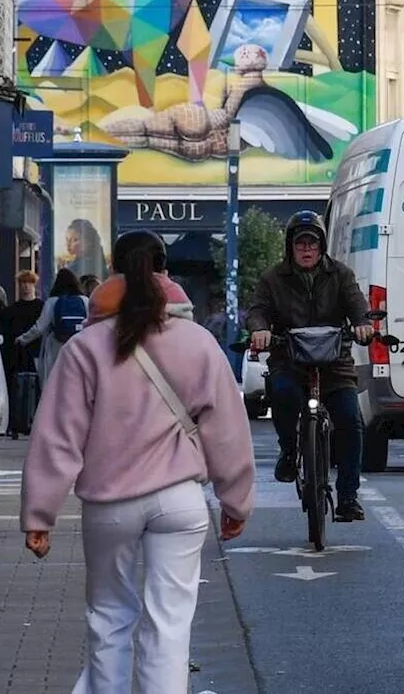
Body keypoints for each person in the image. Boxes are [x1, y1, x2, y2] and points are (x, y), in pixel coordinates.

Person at [20, 230, 254, 693]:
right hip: (180, 502)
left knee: (108, 620)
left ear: (114, 273)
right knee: (169, 628)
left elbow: (58, 437)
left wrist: (39, 514)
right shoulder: (198, 342)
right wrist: (236, 501)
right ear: (166, 272)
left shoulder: (85, 348)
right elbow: (227, 430)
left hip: (110, 505)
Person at [245, 210, 373, 522]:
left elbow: (357, 304)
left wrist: (362, 324)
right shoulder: (272, 278)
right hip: (289, 361)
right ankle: (289, 451)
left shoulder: (340, 274)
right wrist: (259, 329)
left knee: (349, 420)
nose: (306, 249)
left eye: (312, 243)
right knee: (283, 393)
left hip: (334, 364)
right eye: (300, 243)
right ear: (290, 246)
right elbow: (258, 309)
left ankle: (347, 497)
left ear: (322, 246)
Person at [0, 271, 44, 437]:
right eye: (22, 283)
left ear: (34, 285)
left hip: (33, 355)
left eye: (28, 283)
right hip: (18, 356)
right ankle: (18, 422)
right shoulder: (13, 310)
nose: (25, 287)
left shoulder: (41, 308)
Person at [17, 267, 88, 386]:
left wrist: (22, 339)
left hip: (56, 347)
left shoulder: (52, 302)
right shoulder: (85, 301)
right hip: (80, 346)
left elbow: (39, 328)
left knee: (55, 383)